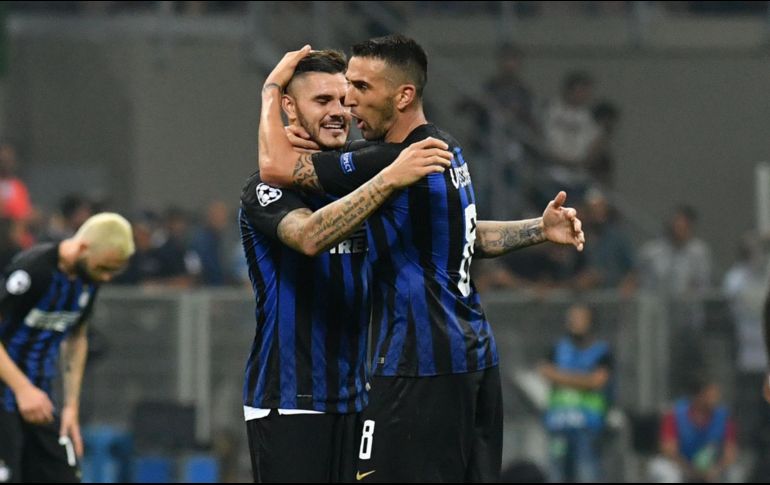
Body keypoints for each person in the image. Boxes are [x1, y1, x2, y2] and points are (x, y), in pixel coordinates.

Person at [258, 36, 585, 482]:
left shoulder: (393, 161)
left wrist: (271, 90)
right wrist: (537, 229)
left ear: (403, 95)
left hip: (418, 368)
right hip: (475, 363)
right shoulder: (447, 150)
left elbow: (275, 168)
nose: (349, 102)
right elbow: (463, 238)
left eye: (360, 88)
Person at [243, 49, 451, 482]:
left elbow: (442, 235)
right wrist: (389, 178)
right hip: (290, 399)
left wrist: (537, 230)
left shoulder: (356, 171)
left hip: (359, 399)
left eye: (344, 100)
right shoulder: (264, 191)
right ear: (289, 107)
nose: (339, 112)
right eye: (322, 102)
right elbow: (309, 236)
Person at [0, 213, 134, 482]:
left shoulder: (88, 279)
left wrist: (71, 408)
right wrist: (22, 389)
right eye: (104, 268)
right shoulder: (32, 272)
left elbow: (77, 337)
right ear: (83, 248)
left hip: (40, 403)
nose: (106, 278)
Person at [539, 303, 613, 482]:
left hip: (587, 425)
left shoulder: (602, 351)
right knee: (556, 473)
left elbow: (598, 381)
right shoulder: (557, 348)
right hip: (559, 423)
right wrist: (583, 380)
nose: (574, 322)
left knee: (586, 472)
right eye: (571, 318)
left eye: (579, 318)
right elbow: (545, 371)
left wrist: (562, 377)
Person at [650, 377, 738, 483]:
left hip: (712, 468)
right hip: (679, 465)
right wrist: (690, 471)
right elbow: (669, 450)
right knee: (665, 472)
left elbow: (730, 453)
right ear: (699, 396)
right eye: (711, 395)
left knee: (735, 474)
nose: (716, 398)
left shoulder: (724, 418)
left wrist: (715, 471)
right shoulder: (674, 415)